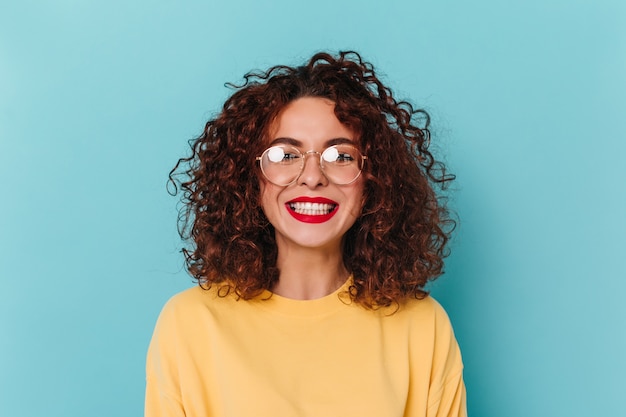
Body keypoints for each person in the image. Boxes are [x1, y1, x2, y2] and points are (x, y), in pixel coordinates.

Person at [145, 51, 466, 417]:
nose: (312, 176)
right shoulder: (190, 324)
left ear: (374, 179)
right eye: (285, 155)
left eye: (341, 156)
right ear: (250, 178)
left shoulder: (423, 327)